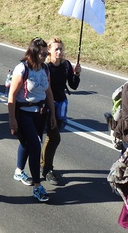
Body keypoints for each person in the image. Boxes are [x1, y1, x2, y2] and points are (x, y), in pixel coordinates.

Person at [7, 37, 56, 203]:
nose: (45, 56)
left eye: (46, 53)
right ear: (35, 52)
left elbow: (48, 93)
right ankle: (37, 186)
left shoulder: (45, 69)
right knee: (35, 146)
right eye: (42, 53)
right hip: (23, 112)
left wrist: (53, 116)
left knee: (27, 143)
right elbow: (12, 96)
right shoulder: (22, 69)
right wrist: (12, 119)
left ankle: (19, 170)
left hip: (40, 113)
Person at [41, 37, 81, 186]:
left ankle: (44, 164)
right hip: (45, 104)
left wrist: (76, 74)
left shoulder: (66, 65)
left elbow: (73, 85)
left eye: (61, 49)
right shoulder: (45, 67)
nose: (59, 51)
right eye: (56, 49)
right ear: (49, 50)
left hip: (60, 104)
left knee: (52, 137)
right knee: (54, 137)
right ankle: (47, 169)